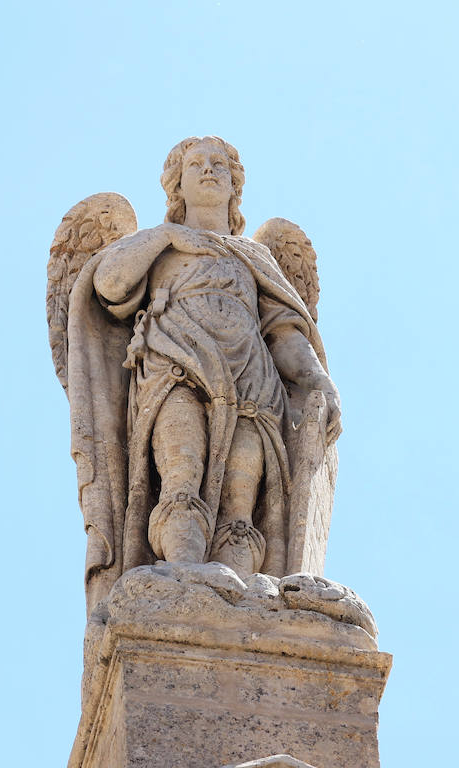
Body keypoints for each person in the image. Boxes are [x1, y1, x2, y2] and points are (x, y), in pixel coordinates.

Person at [79, 136, 340, 583]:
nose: (208, 170)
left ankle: (240, 593)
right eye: (196, 163)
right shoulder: (159, 247)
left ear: (235, 185)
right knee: (181, 473)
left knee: (242, 499)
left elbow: (284, 333)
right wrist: (165, 235)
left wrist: (318, 381)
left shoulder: (256, 256)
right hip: (175, 363)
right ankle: (181, 576)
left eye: (220, 164)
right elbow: (109, 285)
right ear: (177, 184)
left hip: (252, 382)